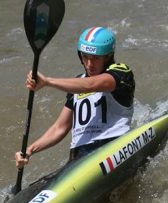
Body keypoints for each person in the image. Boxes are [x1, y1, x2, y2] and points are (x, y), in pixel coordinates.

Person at [15, 26, 135, 167]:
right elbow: (59, 128)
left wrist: (47, 82)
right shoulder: (77, 83)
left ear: (108, 57)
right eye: (85, 57)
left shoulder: (121, 73)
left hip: (112, 147)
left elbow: (91, 85)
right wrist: (30, 150)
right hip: (78, 159)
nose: (89, 64)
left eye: (96, 58)